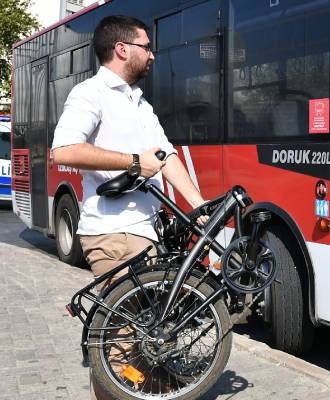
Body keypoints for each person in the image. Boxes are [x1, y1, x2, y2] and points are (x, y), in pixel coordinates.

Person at [51, 15, 206, 399]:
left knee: (145, 333)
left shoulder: (138, 101)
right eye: (146, 47)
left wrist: (198, 204)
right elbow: (64, 150)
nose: (152, 55)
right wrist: (134, 163)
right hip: (112, 233)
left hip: (143, 231)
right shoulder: (91, 93)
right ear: (122, 49)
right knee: (119, 339)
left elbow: (165, 156)